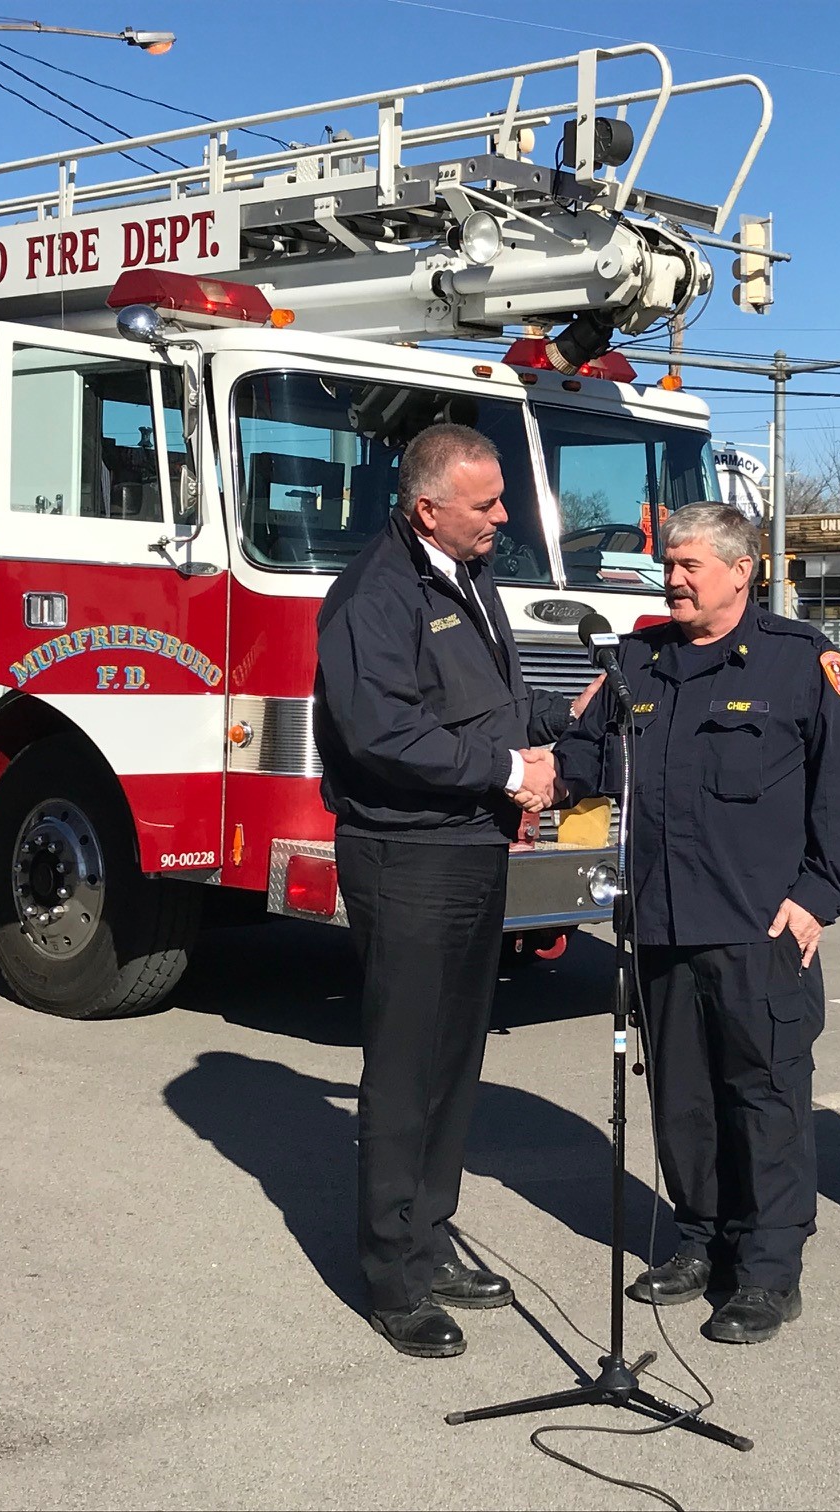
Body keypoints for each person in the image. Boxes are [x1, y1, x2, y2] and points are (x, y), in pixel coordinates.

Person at [550, 503, 840, 1345]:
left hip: (760, 928)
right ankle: (699, 1238)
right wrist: (515, 759)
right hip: (660, 925)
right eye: (670, 562)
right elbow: (581, 759)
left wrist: (817, 896)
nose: (675, 577)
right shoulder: (640, 662)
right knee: (684, 1099)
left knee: (765, 1098)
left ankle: (767, 1270)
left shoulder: (803, 663)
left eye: (692, 564)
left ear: (744, 570)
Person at [314, 422, 593, 1359]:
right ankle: (393, 1276)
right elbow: (380, 734)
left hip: (469, 848)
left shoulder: (466, 575)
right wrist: (512, 769)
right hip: (408, 854)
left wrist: (560, 714)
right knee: (404, 1069)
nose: (504, 516)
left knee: (453, 1059)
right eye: (488, 503)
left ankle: (430, 1239)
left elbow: (486, 699)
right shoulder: (375, 595)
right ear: (429, 507)